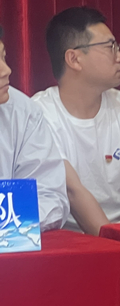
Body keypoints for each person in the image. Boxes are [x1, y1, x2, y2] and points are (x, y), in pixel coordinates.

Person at [33, 7, 120, 235]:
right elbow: (73, 192)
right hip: (66, 240)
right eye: (110, 47)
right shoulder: (39, 113)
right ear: (74, 59)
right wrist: (117, 249)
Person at [0, 25, 68, 231]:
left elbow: (49, 195)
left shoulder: (22, 111)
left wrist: (9, 222)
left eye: (3, 57)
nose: (6, 70)